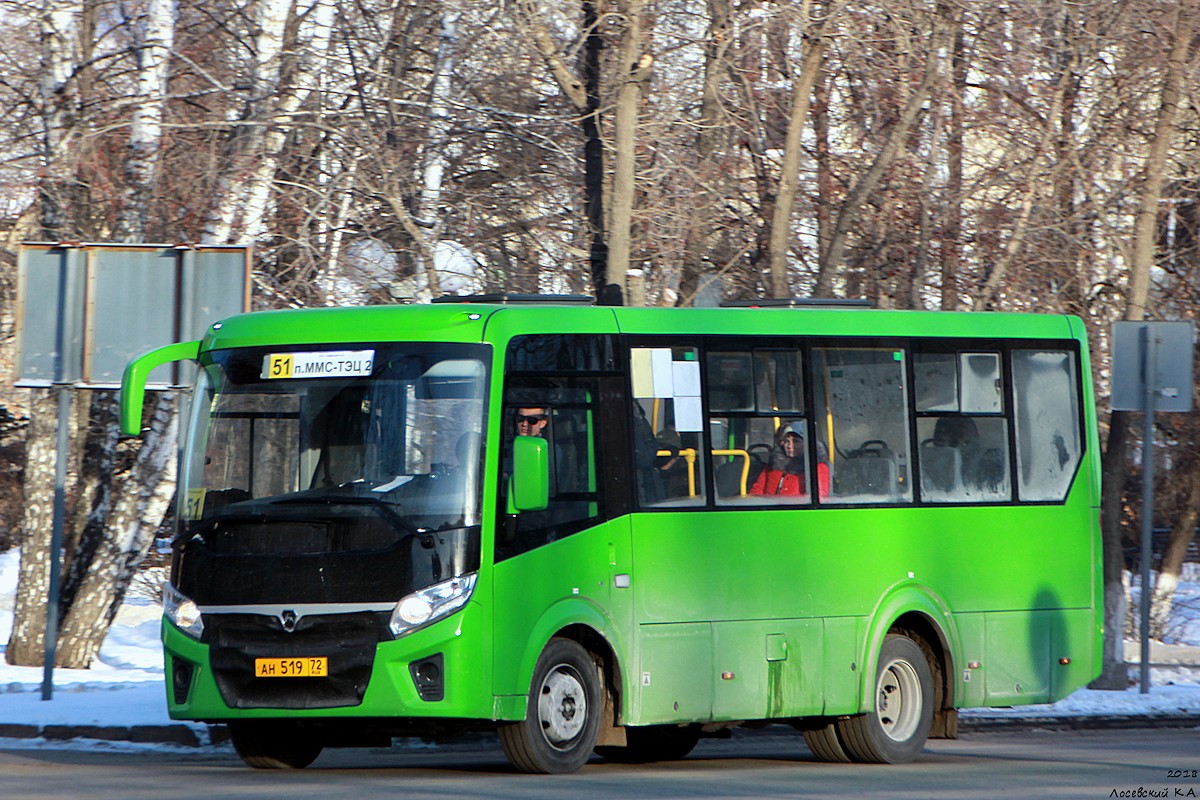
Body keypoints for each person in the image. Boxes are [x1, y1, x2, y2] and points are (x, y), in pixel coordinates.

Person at [750, 423, 831, 499]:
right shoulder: (774, 465)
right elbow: (757, 491)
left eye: (796, 441)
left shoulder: (817, 466)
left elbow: (819, 496)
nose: (790, 446)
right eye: (786, 441)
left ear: (807, 443)